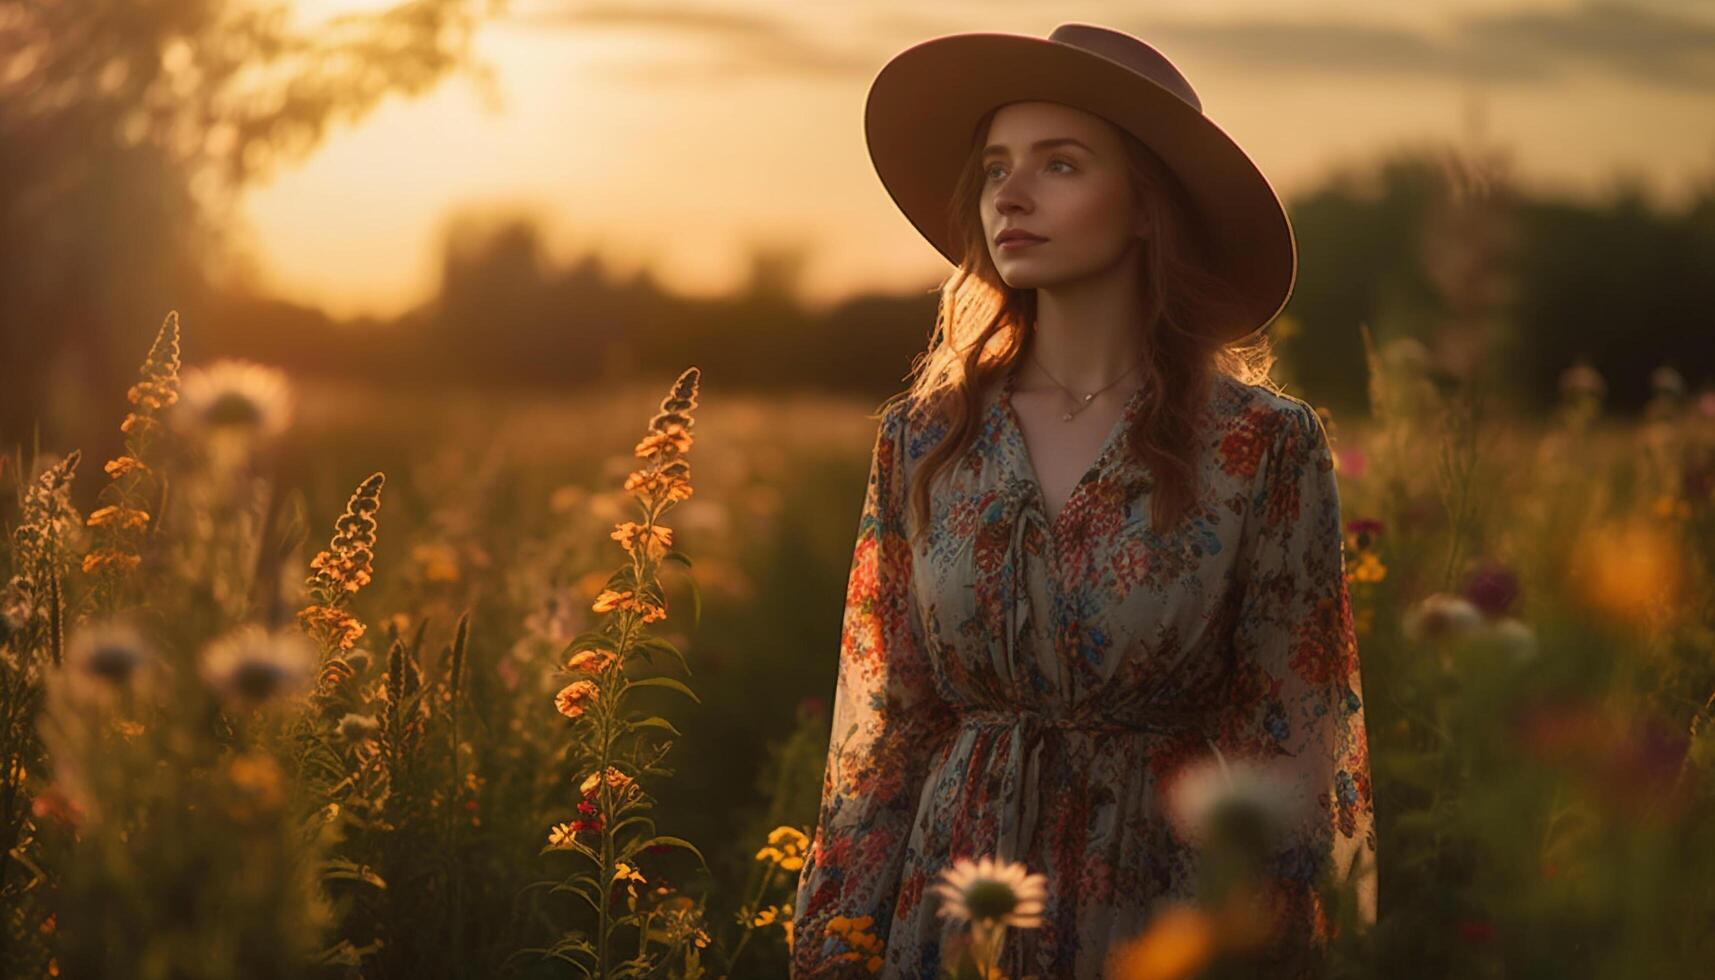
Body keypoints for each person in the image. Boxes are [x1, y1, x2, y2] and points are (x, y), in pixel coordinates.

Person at [791, 23, 1376, 980]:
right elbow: (889, 725)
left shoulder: (1260, 446)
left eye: (1059, 164)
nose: (1009, 196)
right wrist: (834, 943)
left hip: (1155, 907)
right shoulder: (924, 439)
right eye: (993, 168)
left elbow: (1293, 739)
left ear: (1148, 206)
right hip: (950, 901)